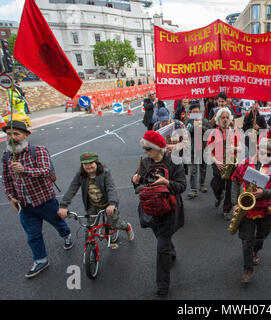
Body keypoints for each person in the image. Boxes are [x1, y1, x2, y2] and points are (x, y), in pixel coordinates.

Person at [2, 121, 73, 278]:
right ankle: (41, 260)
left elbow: (45, 170)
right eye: (8, 134)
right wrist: (11, 197)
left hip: (45, 200)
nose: (12, 138)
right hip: (24, 204)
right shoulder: (6, 155)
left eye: (16, 134)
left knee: (58, 222)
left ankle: (67, 235)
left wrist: (24, 170)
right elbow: (6, 178)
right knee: (33, 234)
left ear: (26, 135)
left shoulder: (39, 150)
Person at [132, 130, 186, 297]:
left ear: (158, 148)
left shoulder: (174, 163)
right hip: (150, 209)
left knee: (161, 248)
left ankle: (163, 286)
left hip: (169, 210)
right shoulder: (145, 162)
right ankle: (172, 251)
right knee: (163, 240)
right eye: (144, 149)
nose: (145, 152)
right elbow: (139, 184)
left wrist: (167, 183)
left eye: (148, 149)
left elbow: (182, 186)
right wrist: (134, 179)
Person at [231, 138, 271, 283]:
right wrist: (235, 203)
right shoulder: (245, 164)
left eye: (269, 154)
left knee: (261, 237)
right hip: (246, 208)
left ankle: (256, 251)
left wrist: (264, 193)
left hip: (266, 209)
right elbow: (235, 181)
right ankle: (247, 269)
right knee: (246, 240)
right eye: (263, 152)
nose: (265, 156)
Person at [57, 152, 134, 241]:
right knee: (90, 228)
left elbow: (111, 188)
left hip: (107, 203)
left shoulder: (105, 173)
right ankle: (89, 249)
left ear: (96, 163)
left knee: (114, 224)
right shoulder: (80, 175)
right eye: (85, 164)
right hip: (92, 205)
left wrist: (112, 204)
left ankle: (127, 227)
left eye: (91, 163)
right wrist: (63, 206)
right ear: (82, 165)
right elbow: (72, 189)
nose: (88, 166)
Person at [208, 108, 242, 220]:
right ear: (218, 119)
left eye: (227, 117)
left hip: (231, 163)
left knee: (230, 187)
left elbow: (241, 149)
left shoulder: (235, 132)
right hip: (218, 163)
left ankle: (226, 209)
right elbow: (208, 150)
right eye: (223, 117)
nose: (225, 120)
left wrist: (235, 147)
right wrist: (216, 161)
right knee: (216, 185)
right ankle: (218, 195)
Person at [185, 104, 211, 199]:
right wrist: (193, 126)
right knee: (193, 170)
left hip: (204, 148)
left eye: (197, 112)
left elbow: (210, 132)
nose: (196, 114)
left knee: (203, 168)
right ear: (191, 113)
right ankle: (193, 189)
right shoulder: (189, 121)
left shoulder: (204, 121)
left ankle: (202, 184)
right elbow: (186, 132)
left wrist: (202, 127)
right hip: (193, 149)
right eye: (194, 112)